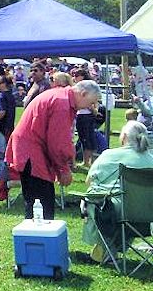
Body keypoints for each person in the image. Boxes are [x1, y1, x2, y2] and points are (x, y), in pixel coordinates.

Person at [6, 80, 102, 220]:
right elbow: (58, 142)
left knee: (35, 202)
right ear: (83, 93)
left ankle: (34, 237)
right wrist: (63, 169)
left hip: (29, 149)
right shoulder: (62, 104)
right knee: (42, 207)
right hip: (32, 153)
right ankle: (38, 239)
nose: (91, 106)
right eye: (91, 102)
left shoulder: (60, 97)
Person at [82, 120, 153, 262]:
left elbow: (88, 181)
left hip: (117, 217)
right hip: (148, 221)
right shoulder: (151, 160)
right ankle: (108, 251)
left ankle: (104, 252)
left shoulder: (109, 155)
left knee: (92, 200)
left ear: (125, 136)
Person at [71, 67, 98, 167]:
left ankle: (88, 161)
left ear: (82, 76)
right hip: (81, 114)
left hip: (86, 115)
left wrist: (91, 107)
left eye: (76, 76)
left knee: (87, 138)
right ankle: (87, 161)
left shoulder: (87, 87)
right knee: (84, 138)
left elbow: (94, 103)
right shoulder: (79, 86)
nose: (75, 77)